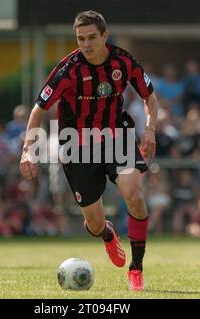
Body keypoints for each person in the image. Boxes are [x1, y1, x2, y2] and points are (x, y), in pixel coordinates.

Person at [19, 11, 157, 291]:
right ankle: (105, 233)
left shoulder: (124, 62)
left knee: (134, 195)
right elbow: (38, 109)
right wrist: (27, 150)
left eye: (92, 37)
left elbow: (149, 97)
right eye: (80, 39)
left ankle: (136, 269)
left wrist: (151, 129)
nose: (86, 44)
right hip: (76, 146)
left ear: (105, 36)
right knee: (93, 224)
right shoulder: (67, 70)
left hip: (116, 135)